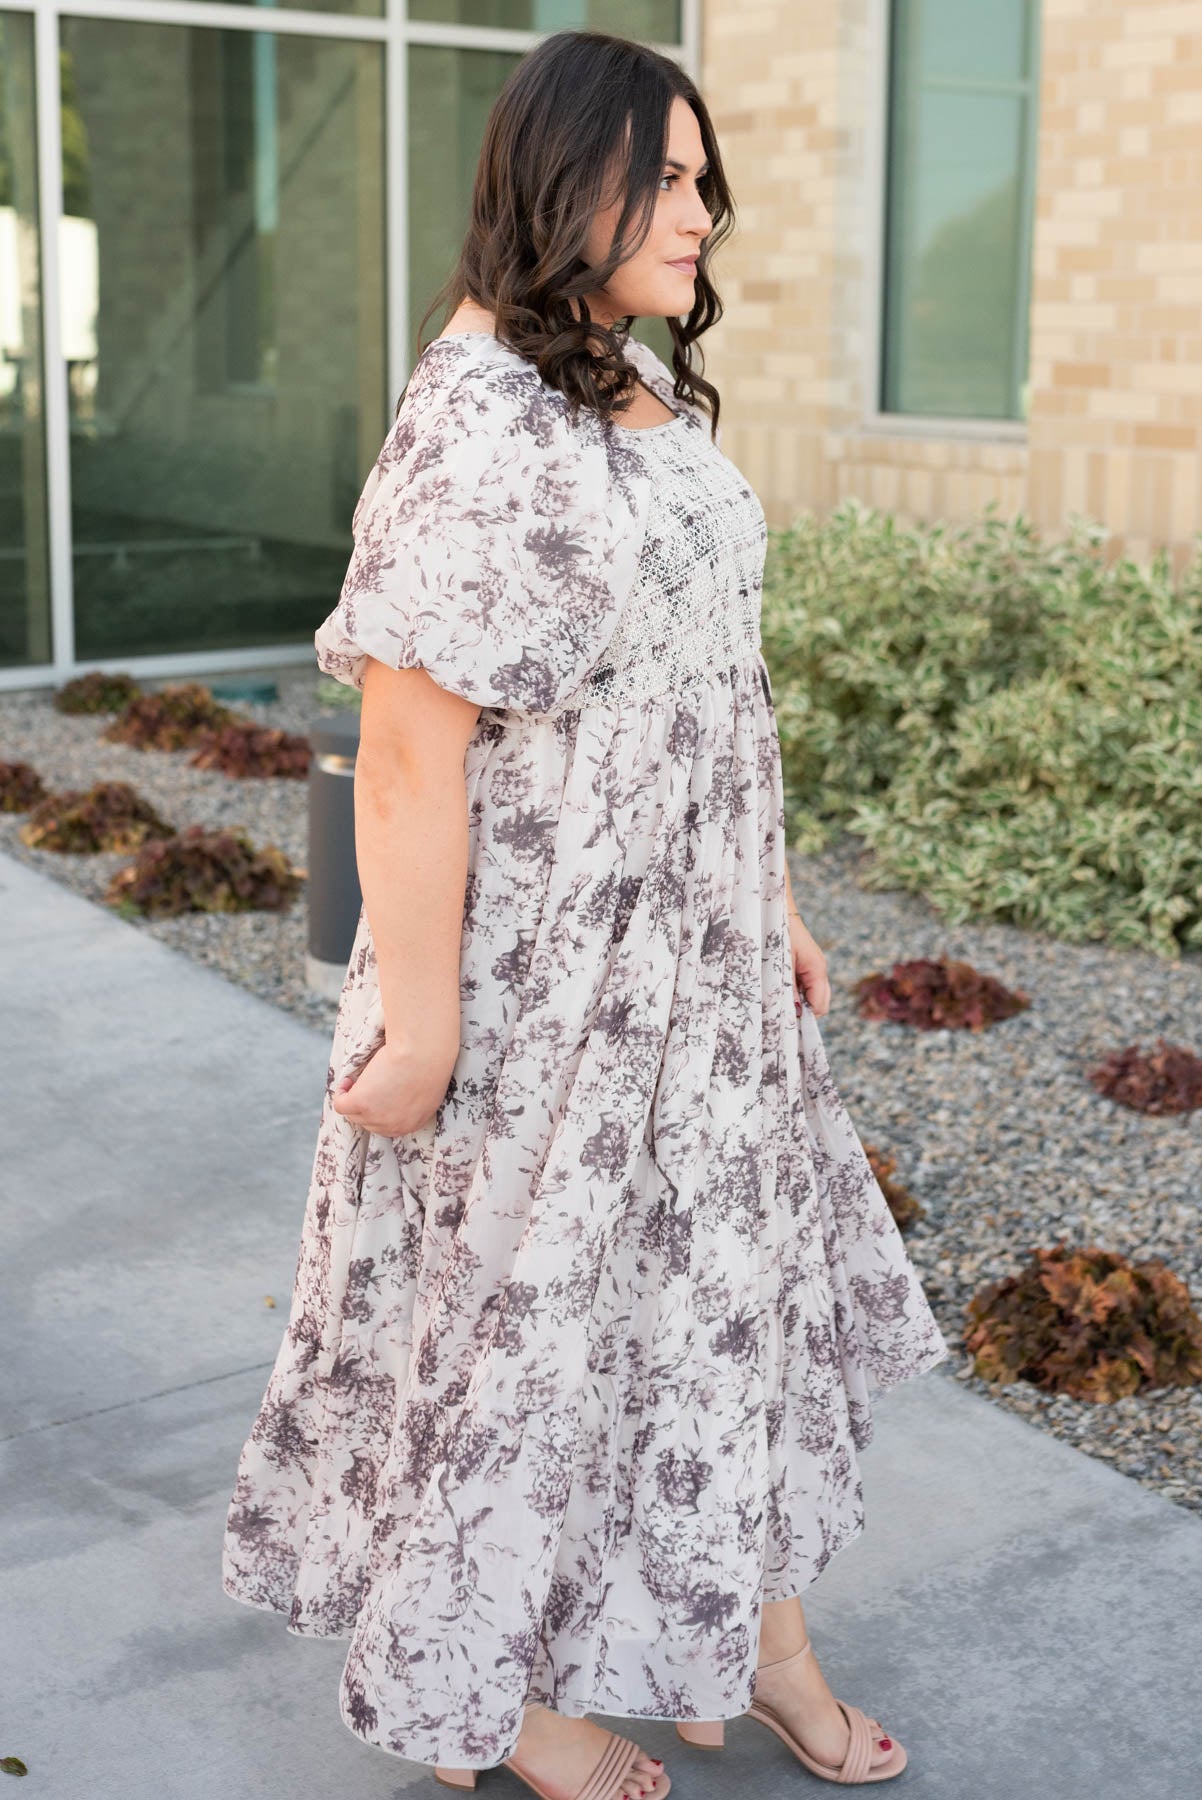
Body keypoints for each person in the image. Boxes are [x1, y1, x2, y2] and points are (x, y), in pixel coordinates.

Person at [221, 27, 950, 1799]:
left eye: (710, 181)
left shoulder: (611, 374)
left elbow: (710, 674)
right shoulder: (472, 416)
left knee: (720, 1315)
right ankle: (506, 1700)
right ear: (572, 180)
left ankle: (757, 1651)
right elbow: (404, 750)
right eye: (674, 180)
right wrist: (429, 1024)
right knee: (520, 1348)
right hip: (547, 987)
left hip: (690, 969)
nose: (706, 214)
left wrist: (760, 887)